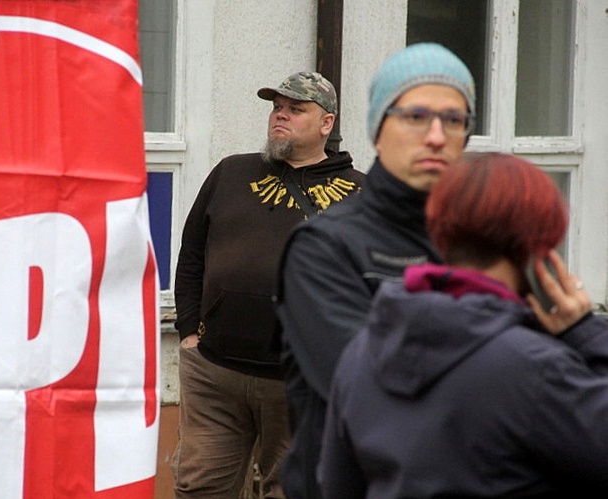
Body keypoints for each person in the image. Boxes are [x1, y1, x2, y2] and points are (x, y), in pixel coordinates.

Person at [319, 152, 608, 497]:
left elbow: (336, 486)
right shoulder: (534, 366)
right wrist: (586, 334)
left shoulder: (362, 350)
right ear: (538, 249)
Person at [274, 43, 476, 498]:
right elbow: (373, 392)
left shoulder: (482, 244)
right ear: (378, 130)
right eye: (415, 116)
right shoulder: (324, 248)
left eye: (454, 119)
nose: (437, 136)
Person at [172, 71, 365, 498]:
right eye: (277, 108)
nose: (281, 116)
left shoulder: (360, 195)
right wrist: (187, 333)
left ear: (326, 124)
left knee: (292, 491)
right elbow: (191, 257)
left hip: (300, 384)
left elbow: (372, 289)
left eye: (296, 109)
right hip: (215, 373)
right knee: (198, 487)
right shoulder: (231, 173)